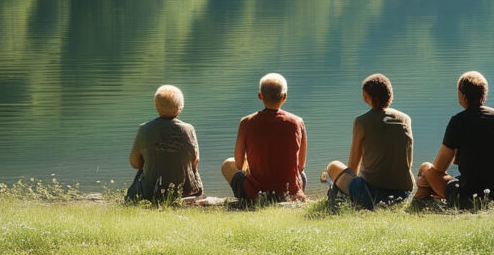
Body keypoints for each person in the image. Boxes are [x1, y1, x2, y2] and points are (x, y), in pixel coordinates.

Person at [414, 71, 494, 208]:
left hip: (469, 196)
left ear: (463, 96)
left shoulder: (458, 121)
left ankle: (417, 204)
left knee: (426, 169)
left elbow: (439, 168)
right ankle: (421, 200)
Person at [325, 73, 414, 209]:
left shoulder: (362, 122)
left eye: (364, 95)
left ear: (370, 98)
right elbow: (408, 162)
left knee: (333, 166)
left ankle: (342, 201)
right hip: (403, 193)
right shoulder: (405, 119)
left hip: (371, 194)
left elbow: (352, 167)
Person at [221, 73, 307, 202]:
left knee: (228, 164)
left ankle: (249, 200)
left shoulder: (246, 122)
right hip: (289, 190)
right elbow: (300, 166)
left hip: (256, 192)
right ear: (284, 97)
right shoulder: (297, 122)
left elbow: (239, 164)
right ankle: (290, 197)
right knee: (302, 175)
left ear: (260, 96)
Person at [126, 84, 203, 202]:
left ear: (156, 107)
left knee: (143, 170)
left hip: (150, 192)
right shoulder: (189, 129)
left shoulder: (144, 129)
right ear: (179, 108)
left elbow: (135, 163)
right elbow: (195, 161)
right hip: (186, 191)